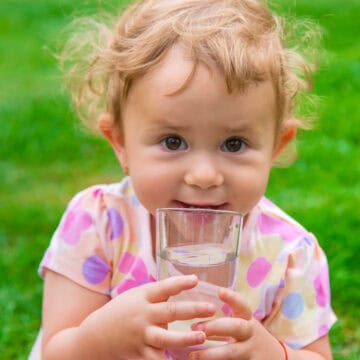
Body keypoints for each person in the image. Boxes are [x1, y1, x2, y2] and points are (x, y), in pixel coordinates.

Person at [29, 0, 337, 359]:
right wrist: (100, 338)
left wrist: (271, 353)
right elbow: (55, 351)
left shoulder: (290, 254)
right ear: (120, 143)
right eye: (173, 141)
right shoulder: (99, 224)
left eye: (234, 143)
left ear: (275, 146)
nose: (204, 176)